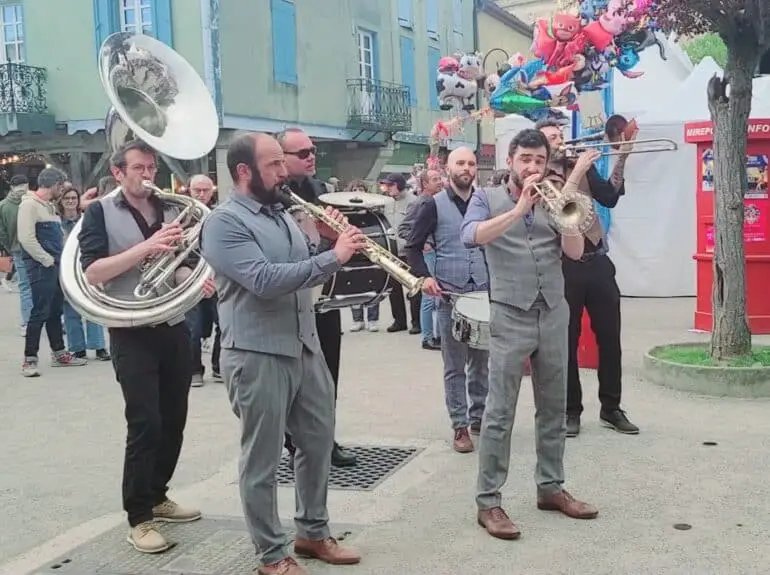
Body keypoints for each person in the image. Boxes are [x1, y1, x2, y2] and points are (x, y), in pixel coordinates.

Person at [200, 132, 364, 575]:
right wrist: (334, 258)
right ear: (243, 172)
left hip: (303, 345)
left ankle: (312, 531)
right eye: (273, 164)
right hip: (256, 353)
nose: (283, 171)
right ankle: (271, 555)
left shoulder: (284, 214)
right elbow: (266, 279)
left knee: (316, 442)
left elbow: (304, 265)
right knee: (263, 459)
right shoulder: (224, 222)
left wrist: (330, 241)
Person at [460, 129, 598, 541]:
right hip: (510, 311)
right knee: (499, 413)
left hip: (553, 311)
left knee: (553, 407)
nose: (533, 167)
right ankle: (489, 502)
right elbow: (471, 236)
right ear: (511, 159)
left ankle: (551, 487)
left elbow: (574, 253)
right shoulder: (486, 198)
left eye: (539, 160)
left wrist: (565, 214)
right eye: (525, 159)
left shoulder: (555, 194)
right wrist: (519, 210)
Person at [78, 140, 215, 554]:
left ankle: (158, 495)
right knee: (145, 423)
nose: (147, 174)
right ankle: (138, 518)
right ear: (118, 173)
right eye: (139, 167)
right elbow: (93, 271)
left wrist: (192, 278)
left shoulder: (169, 207)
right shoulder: (98, 211)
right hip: (130, 329)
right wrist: (144, 249)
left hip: (172, 324)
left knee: (174, 418)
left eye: (151, 166)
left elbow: (177, 261)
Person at [536, 118, 639, 436]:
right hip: (564, 266)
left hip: (598, 260)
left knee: (611, 338)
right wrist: (578, 169)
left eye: (560, 135)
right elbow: (559, 210)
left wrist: (621, 155)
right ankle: (571, 411)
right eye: (552, 137)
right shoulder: (539, 178)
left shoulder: (577, 162)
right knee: (566, 342)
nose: (560, 140)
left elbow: (608, 196)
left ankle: (611, 408)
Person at [278, 127, 357, 468]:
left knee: (328, 374)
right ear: (281, 159)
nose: (311, 157)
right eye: (303, 153)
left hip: (324, 292)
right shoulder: (273, 195)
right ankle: (293, 441)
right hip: (290, 294)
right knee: (294, 376)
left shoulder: (321, 190)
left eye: (312, 150)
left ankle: (325, 438)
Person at [405, 148, 489, 453]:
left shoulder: (485, 201)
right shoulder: (432, 204)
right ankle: (460, 425)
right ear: (447, 168)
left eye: (471, 163)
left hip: (483, 291)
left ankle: (480, 416)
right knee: (454, 365)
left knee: (481, 362)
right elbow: (411, 246)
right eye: (460, 163)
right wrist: (425, 277)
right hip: (449, 295)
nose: (466, 168)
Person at [18, 168, 87, 377]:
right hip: (42, 267)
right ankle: (30, 359)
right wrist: (47, 260)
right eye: (61, 186)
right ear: (55, 184)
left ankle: (59, 352)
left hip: (54, 266)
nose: (62, 191)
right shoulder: (29, 205)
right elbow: (26, 238)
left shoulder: (48, 207)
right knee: (39, 311)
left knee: (55, 310)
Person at [58, 186, 110, 361]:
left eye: (73, 198)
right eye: (67, 199)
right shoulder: (57, 222)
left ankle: (98, 346)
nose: (71, 201)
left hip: (85, 266)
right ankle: (77, 348)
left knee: (92, 307)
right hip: (65, 268)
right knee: (70, 310)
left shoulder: (86, 220)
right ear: (61, 202)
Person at [399, 168, 443, 351]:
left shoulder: (438, 201)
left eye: (440, 178)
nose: (440, 182)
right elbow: (403, 229)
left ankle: (438, 335)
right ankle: (427, 337)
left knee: (439, 296)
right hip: (427, 254)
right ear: (425, 184)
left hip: (438, 253)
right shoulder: (420, 204)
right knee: (429, 296)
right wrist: (423, 241)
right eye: (435, 179)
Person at [185, 174, 221, 386]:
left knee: (224, 325)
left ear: (212, 191)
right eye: (196, 190)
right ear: (189, 190)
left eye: (205, 190)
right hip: (190, 279)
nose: (201, 194)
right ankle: (194, 370)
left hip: (216, 277)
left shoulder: (220, 215)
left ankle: (219, 366)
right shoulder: (179, 215)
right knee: (193, 329)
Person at [379, 173, 421, 334]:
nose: (387, 189)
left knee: (414, 287)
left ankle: (416, 321)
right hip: (391, 250)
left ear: (399, 184)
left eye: (390, 185)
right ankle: (399, 320)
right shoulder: (387, 203)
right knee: (393, 289)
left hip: (409, 251)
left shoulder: (414, 202)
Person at [0, 174, 32, 336]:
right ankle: (49, 320)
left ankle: (27, 323)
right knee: (43, 286)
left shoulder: (3, 206)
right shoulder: (32, 201)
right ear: (26, 185)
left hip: (17, 249)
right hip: (36, 248)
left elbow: (1, 232)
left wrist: (10, 247)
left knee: (25, 286)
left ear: (11, 187)